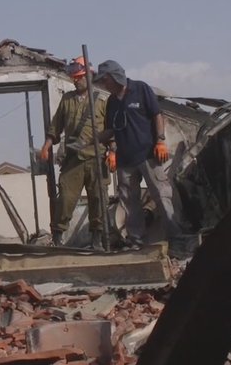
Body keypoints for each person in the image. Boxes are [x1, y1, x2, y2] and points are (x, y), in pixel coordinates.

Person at [94, 60, 181, 245]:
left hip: (147, 155)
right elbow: (111, 130)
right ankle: (136, 240)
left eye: (105, 80)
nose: (103, 85)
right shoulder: (112, 101)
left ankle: (176, 237)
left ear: (114, 77)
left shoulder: (141, 89)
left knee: (161, 195)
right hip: (125, 160)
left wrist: (160, 141)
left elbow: (157, 115)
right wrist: (96, 140)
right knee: (129, 201)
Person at [40, 57, 108, 247]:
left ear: (89, 76)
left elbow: (111, 129)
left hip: (96, 158)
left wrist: (113, 152)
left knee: (98, 199)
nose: (75, 81)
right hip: (73, 158)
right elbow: (55, 127)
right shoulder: (67, 100)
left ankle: (97, 240)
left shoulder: (102, 101)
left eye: (79, 77)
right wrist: (46, 146)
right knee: (65, 199)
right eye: (74, 78)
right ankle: (57, 237)